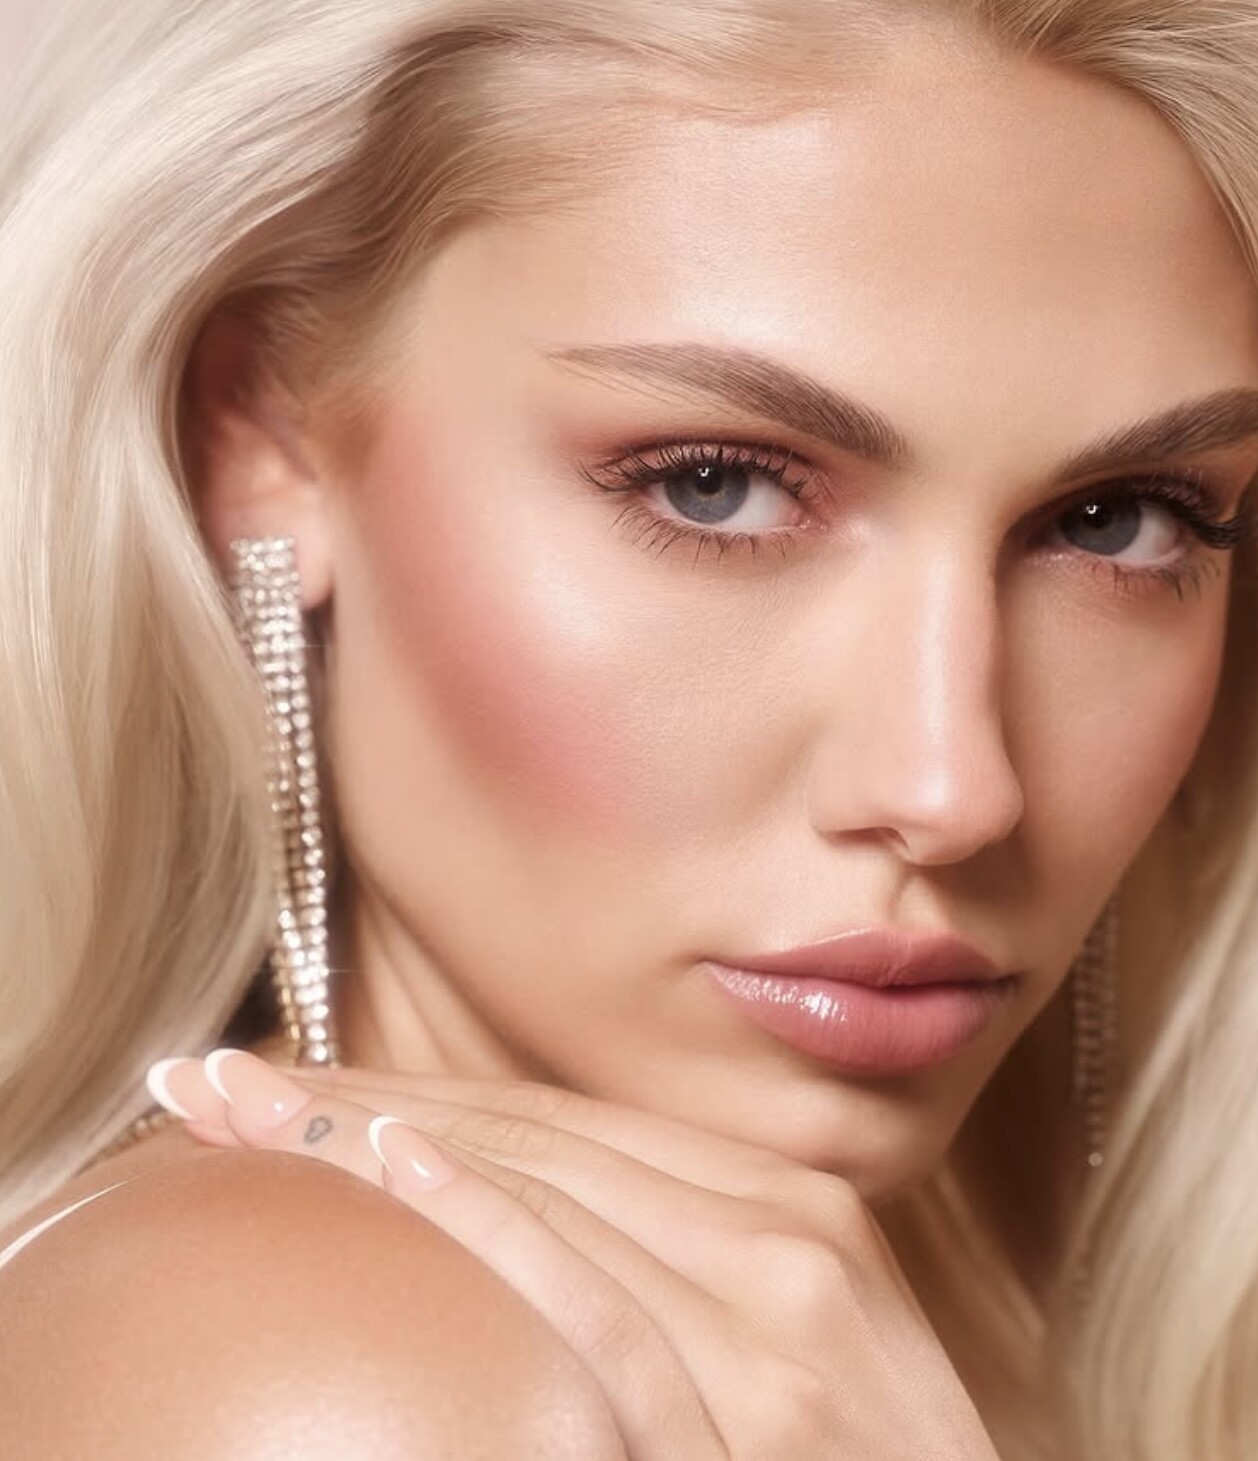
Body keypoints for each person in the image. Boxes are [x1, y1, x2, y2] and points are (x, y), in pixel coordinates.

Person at [2, 0, 1257, 1455]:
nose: (952, 785)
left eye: (1118, 520)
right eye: (714, 484)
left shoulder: (990, 1332)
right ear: (264, 434)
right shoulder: (337, 1368)